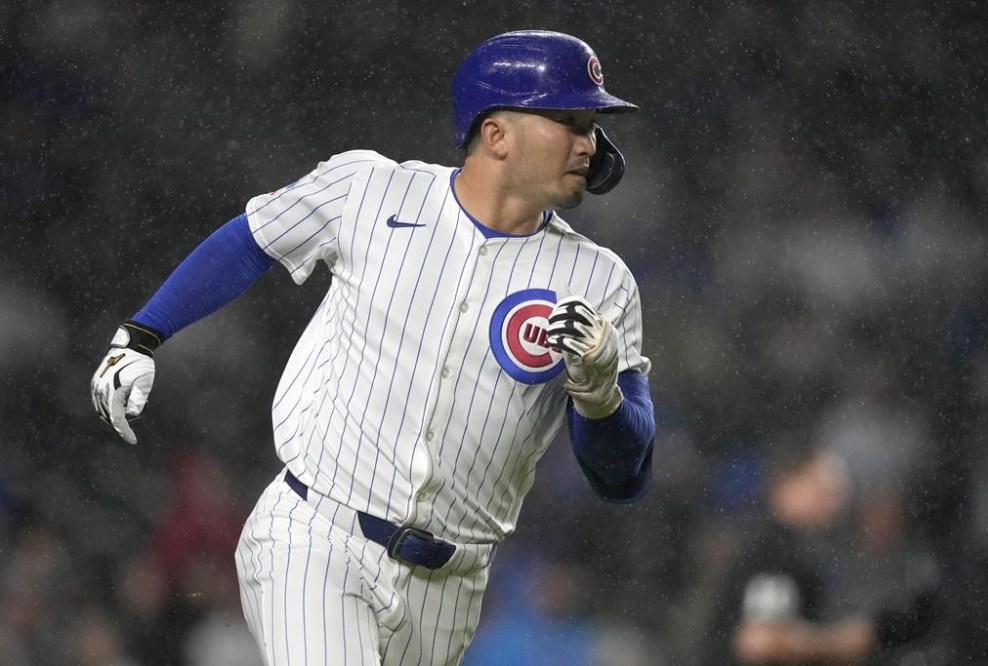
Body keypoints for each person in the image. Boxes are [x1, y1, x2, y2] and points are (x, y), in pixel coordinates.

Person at [90, 30, 656, 665]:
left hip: (449, 590)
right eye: (571, 120)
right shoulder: (370, 189)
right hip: (315, 537)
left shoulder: (602, 280)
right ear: (496, 135)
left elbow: (623, 478)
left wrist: (601, 394)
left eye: (593, 125)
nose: (591, 143)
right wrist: (142, 334)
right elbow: (253, 239)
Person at [701, 437, 940, 665]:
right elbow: (760, 642)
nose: (834, 501)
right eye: (822, 489)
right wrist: (845, 641)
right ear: (789, 485)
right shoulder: (773, 549)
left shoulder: (796, 546)